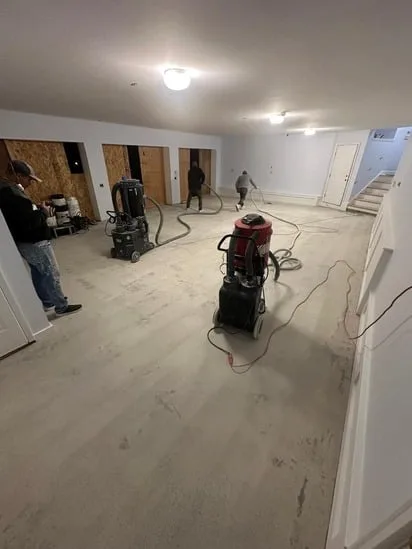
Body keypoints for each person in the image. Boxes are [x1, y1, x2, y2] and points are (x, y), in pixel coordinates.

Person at [0, 160, 82, 316]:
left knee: (39, 272)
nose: (30, 183)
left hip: (26, 242)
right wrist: (43, 213)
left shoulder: (7, 190)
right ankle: (61, 306)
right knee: (51, 272)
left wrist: (35, 208)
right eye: (29, 179)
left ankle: (48, 302)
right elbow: (28, 223)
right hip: (35, 241)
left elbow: (21, 216)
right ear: (18, 175)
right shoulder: (11, 195)